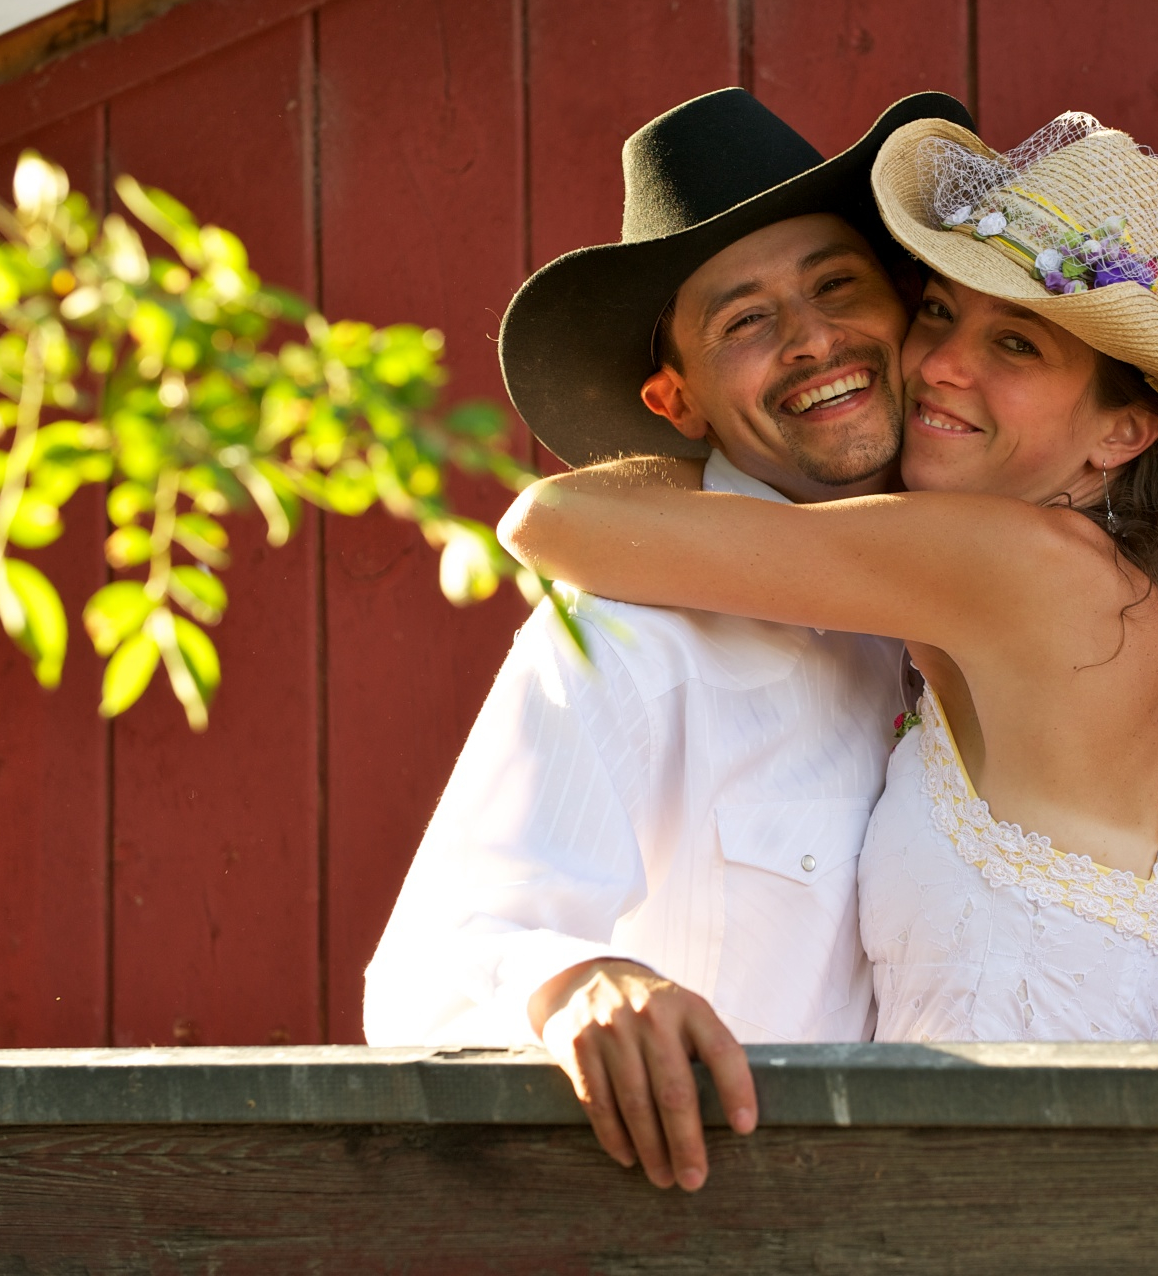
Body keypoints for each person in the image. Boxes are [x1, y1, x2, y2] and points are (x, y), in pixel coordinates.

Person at [500, 112, 1158, 1044]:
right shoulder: (1120, 608)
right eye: (940, 310)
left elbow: (547, 519)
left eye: (1016, 345)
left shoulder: (1028, 573)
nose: (940, 366)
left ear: (1124, 431)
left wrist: (709, 426)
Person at [363, 86, 975, 1191]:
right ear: (676, 400)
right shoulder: (625, 635)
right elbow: (437, 964)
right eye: (744, 321)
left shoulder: (990, 605)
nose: (814, 340)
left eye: (838, 285)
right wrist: (579, 983)